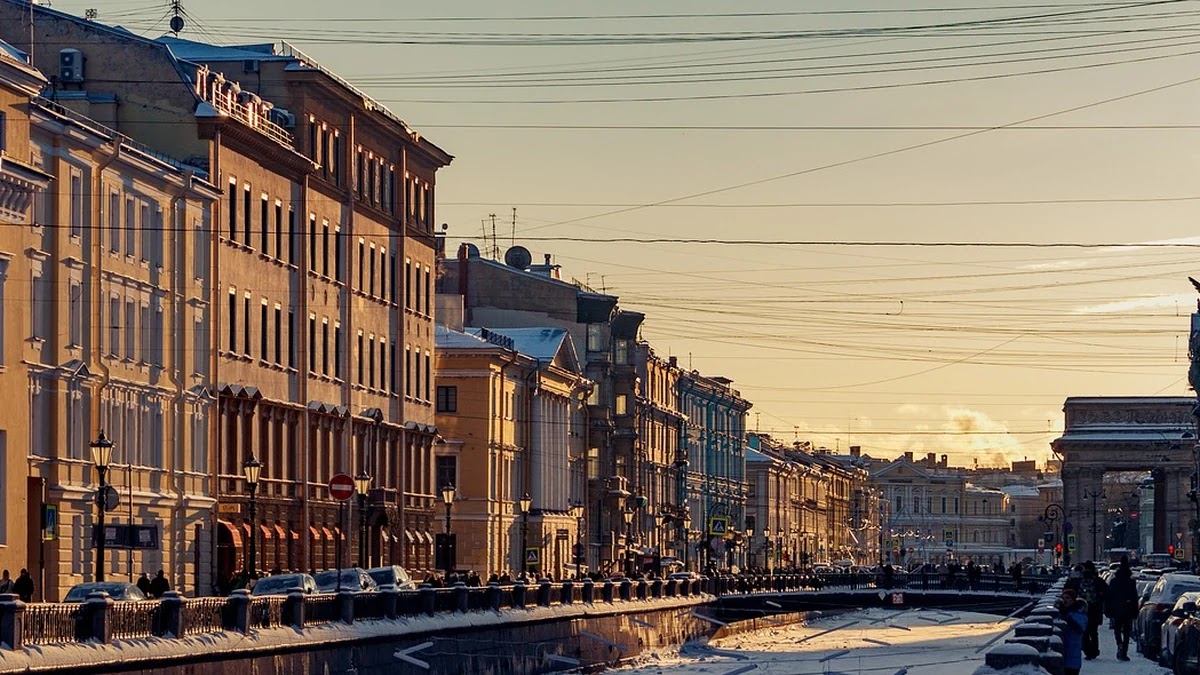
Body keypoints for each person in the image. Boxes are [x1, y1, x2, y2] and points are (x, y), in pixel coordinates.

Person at [1104, 555, 1138, 661]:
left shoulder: (1114, 581)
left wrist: (1108, 609)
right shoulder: (1131, 582)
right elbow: (1134, 597)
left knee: (1117, 629)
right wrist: (1135, 611)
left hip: (1117, 608)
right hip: (1128, 609)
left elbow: (1109, 596)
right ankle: (1124, 651)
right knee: (1127, 631)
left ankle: (1119, 644)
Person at [1077, 560, 1108, 660]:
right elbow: (1107, 592)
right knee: (1094, 632)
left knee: (1085, 631)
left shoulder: (1080, 580)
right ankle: (1094, 650)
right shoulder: (1098, 580)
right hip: (1095, 609)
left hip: (1083, 609)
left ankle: (1087, 651)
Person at [1058, 588, 1088, 675]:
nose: (1064, 600)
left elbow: (1079, 628)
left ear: (1073, 599)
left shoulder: (1079, 613)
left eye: (1067, 598)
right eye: (1063, 598)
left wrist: (1066, 617)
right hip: (1065, 650)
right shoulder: (1065, 612)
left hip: (1073, 650)